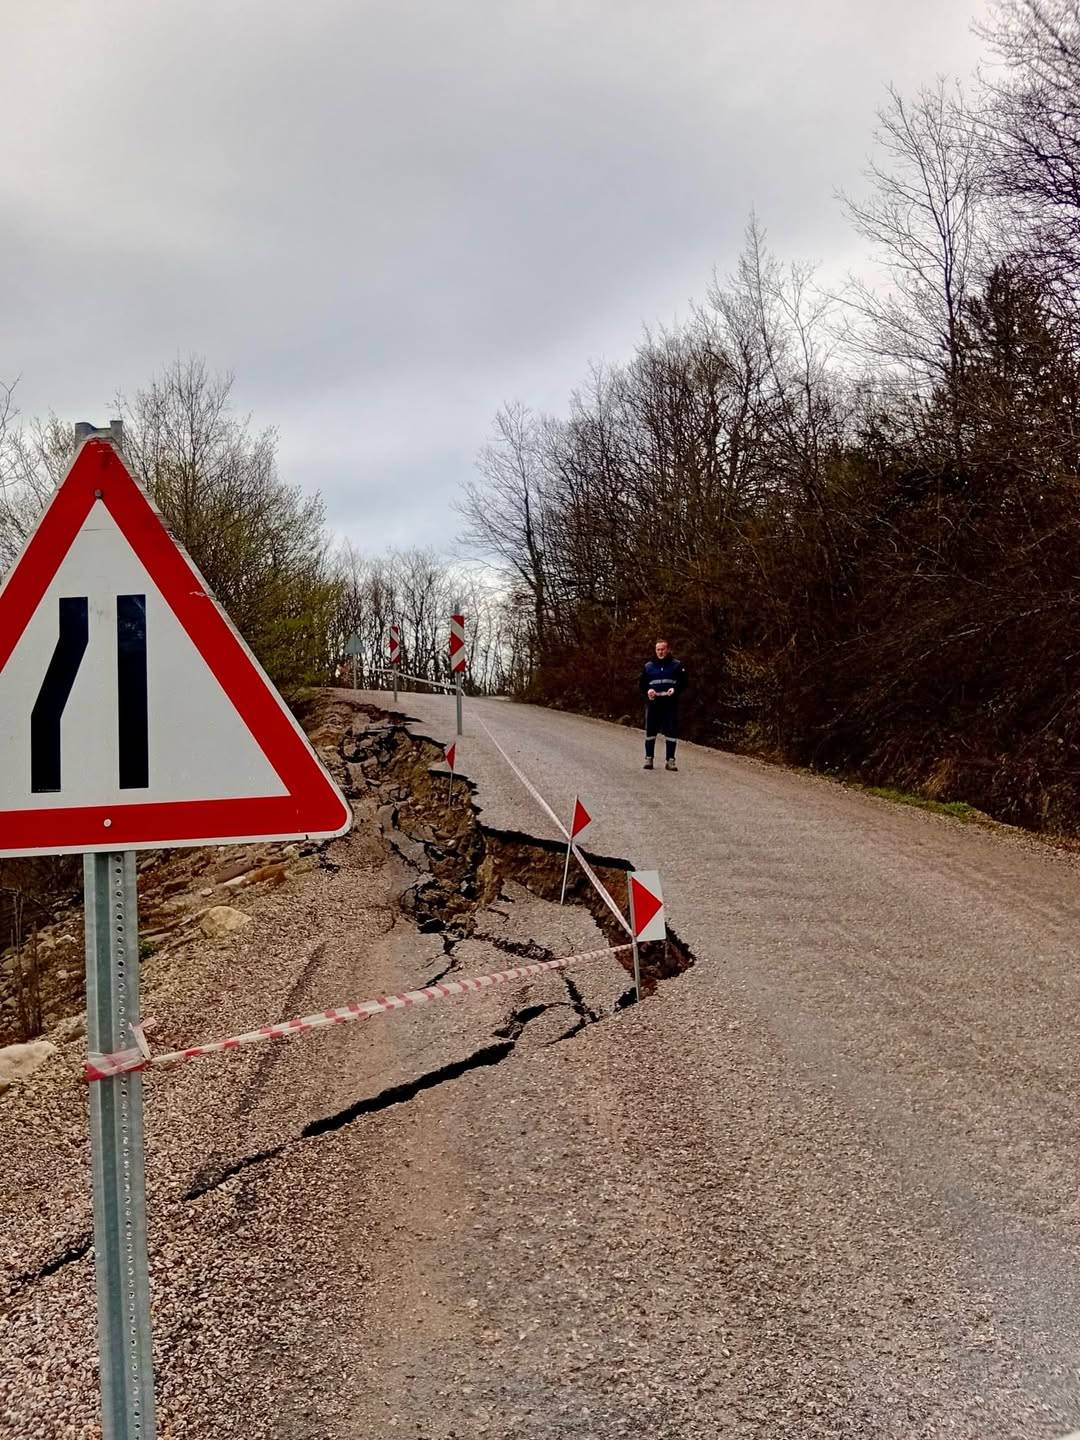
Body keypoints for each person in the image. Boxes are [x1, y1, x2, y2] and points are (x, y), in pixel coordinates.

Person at [639, 637, 687, 771]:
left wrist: (675, 689)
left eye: (663, 649)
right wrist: (648, 690)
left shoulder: (677, 665)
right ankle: (649, 759)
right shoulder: (648, 666)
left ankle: (670, 761)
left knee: (671, 731)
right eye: (658, 649)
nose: (660, 652)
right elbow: (642, 684)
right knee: (650, 731)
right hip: (653, 703)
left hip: (670, 703)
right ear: (655, 650)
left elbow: (684, 682)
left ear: (668, 649)